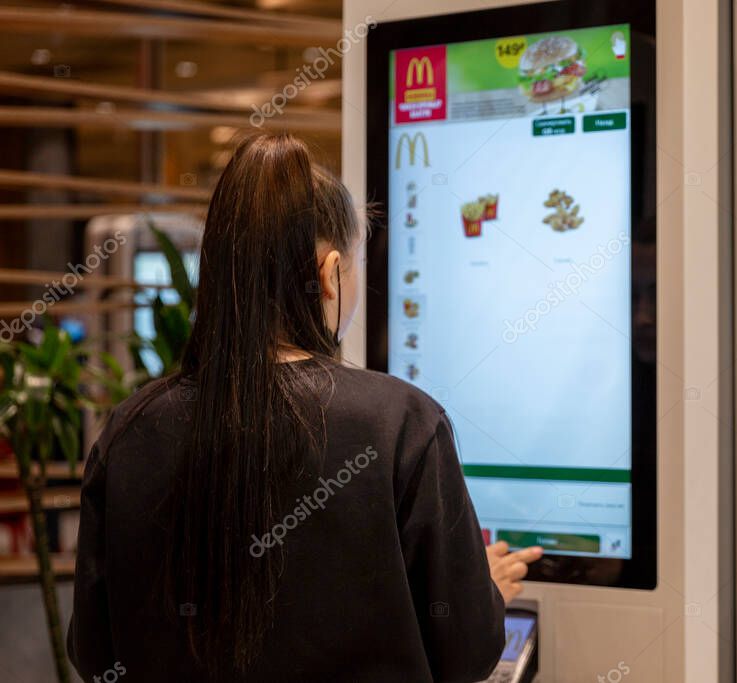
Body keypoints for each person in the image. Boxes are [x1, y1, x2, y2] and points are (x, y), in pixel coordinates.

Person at [68, 134, 509, 683]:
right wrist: (477, 586)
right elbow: (467, 651)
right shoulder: (402, 423)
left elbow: (92, 650)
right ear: (329, 275)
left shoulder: (130, 430)